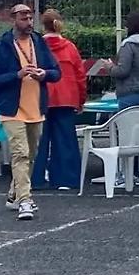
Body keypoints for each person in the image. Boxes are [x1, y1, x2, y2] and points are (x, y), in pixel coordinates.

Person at [0, 5, 60, 220]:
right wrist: (16, 75)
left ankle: (13, 194)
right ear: (13, 20)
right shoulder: (2, 46)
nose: (28, 21)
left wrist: (44, 73)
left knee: (31, 155)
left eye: (30, 17)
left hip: (36, 108)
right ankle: (25, 201)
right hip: (12, 109)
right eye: (23, 18)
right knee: (20, 154)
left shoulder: (39, 42)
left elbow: (57, 72)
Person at [31, 10, 87, 191]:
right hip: (66, 98)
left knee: (38, 140)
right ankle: (67, 179)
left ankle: (36, 177)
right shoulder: (70, 47)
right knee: (66, 140)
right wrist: (81, 100)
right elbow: (80, 76)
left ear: (42, 25)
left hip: (41, 98)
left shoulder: (36, 47)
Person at [110, 11, 139, 180]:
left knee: (126, 134)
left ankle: (124, 173)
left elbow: (123, 70)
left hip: (129, 94)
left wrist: (109, 68)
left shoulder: (128, 45)